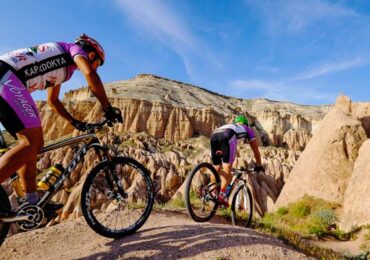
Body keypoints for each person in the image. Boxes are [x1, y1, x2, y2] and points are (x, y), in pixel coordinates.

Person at [0, 34, 123, 217]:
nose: (96, 66)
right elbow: (90, 73)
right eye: (98, 62)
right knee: (33, 142)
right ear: (91, 55)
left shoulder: (64, 70)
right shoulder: (73, 50)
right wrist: (107, 107)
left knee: (28, 146)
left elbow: (53, 100)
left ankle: (32, 203)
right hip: (7, 78)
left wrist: (74, 122)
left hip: (7, 79)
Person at [210, 115, 263, 207]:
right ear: (246, 124)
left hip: (214, 135)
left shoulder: (231, 125)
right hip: (228, 136)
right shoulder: (247, 129)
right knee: (227, 166)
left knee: (217, 166)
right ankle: (222, 195)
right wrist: (259, 165)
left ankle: (212, 191)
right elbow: (255, 149)